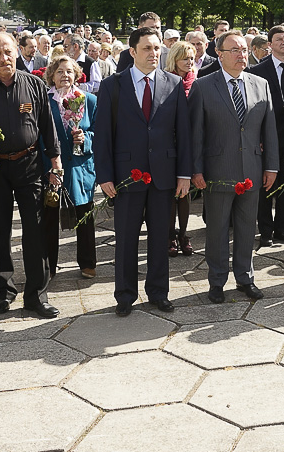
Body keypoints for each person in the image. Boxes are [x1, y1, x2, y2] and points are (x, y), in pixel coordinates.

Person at [94, 26, 191, 316]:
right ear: (132, 51)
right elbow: (102, 134)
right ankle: (124, 295)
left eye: (157, 48)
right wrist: (105, 175)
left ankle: (158, 292)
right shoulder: (114, 85)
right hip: (126, 175)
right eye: (147, 48)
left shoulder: (173, 83)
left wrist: (184, 174)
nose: (154, 53)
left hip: (163, 175)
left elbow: (183, 133)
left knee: (161, 237)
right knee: (126, 238)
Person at [0, 32, 64, 318]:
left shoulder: (34, 85)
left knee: (35, 231)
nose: (3, 58)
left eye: (7, 52)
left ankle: (36, 294)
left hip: (29, 164)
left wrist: (55, 160)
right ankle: (3, 290)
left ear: (16, 52)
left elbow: (47, 124)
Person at [190, 30, 278, 303]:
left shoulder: (260, 84)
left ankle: (245, 278)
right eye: (235, 50)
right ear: (219, 53)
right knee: (216, 230)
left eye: (244, 50)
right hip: (218, 171)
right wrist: (196, 170)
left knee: (246, 228)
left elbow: (270, 130)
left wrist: (272, 166)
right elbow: (196, 134)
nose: (242, 55)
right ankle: (217, 281)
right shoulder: (204, 86)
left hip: (252, 169)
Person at [43, 55, 99, 279]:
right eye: (59, 72)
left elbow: (99, 132)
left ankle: (87, 263)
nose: (65, 75)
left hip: (80, 166)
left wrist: (85, 139)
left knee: (84, 214)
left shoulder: (89, 100)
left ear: (76, 74)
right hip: (52, 166)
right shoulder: (45, 101)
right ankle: (49, 266)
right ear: (52, 76)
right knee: (49, 216)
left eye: (68, 71)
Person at [247, 25, 284, 247]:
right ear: (269, 44)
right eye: (279, 39)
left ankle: (283, 229)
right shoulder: (257, 71)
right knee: (266, 186)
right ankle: (265, 230)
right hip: (268, 137)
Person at [163, 40, 198, 256]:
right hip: (169, 142)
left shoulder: (197, 82)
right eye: (185, 58)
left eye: (192, 58)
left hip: (191, 142)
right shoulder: (166, 80)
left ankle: (183, 234)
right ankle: (169, 235)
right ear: (174, 59)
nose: (189, 62)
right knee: (170, 194)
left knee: (185, 193)